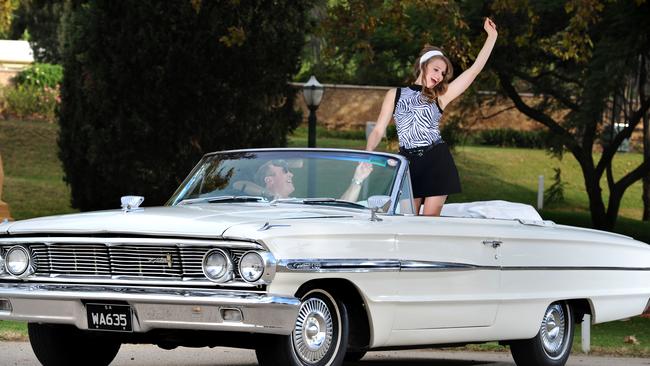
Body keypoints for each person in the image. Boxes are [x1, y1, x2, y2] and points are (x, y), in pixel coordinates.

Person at [366, 17, 498, 216]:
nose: (439, 76)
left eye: (443, 74)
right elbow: (378, 130)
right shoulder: (395, 94)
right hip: (408, 164)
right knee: (407, 219)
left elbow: (473, 70)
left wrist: (492, 36)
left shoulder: (441, 96)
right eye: (436, 69)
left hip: (436, 161)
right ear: (423, 65)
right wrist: (368, 153)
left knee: (429, 222)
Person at [234, 160, 373, 201]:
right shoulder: (257, 204)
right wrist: (271, 196)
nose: (291, 175)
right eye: (284, 170)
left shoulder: (300, 204)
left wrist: (358, 179)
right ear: (268, 180)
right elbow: (238, 184)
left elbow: (344, 210)